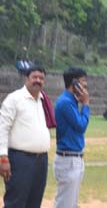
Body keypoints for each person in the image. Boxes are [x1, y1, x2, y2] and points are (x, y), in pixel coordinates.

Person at [0, 66, 51, 208]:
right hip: (20, 159)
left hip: (41, 160)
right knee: (15, 202)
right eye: (34, 77)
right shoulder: (14, 99)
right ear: (26, 79)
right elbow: (2, 128)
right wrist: (3, 158)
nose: (38, 80)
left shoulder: (42, 100)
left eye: (41, 78)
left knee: (34, 202)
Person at [54, 67, 91, 208]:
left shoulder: (72, 101)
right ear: (74, 83)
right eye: (83, 81)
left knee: (71, 204)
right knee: (65, 204)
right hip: (68, 160)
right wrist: (86, 105)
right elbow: (81, 126)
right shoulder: (65, 102)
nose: (85, 85)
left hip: (74, 158)